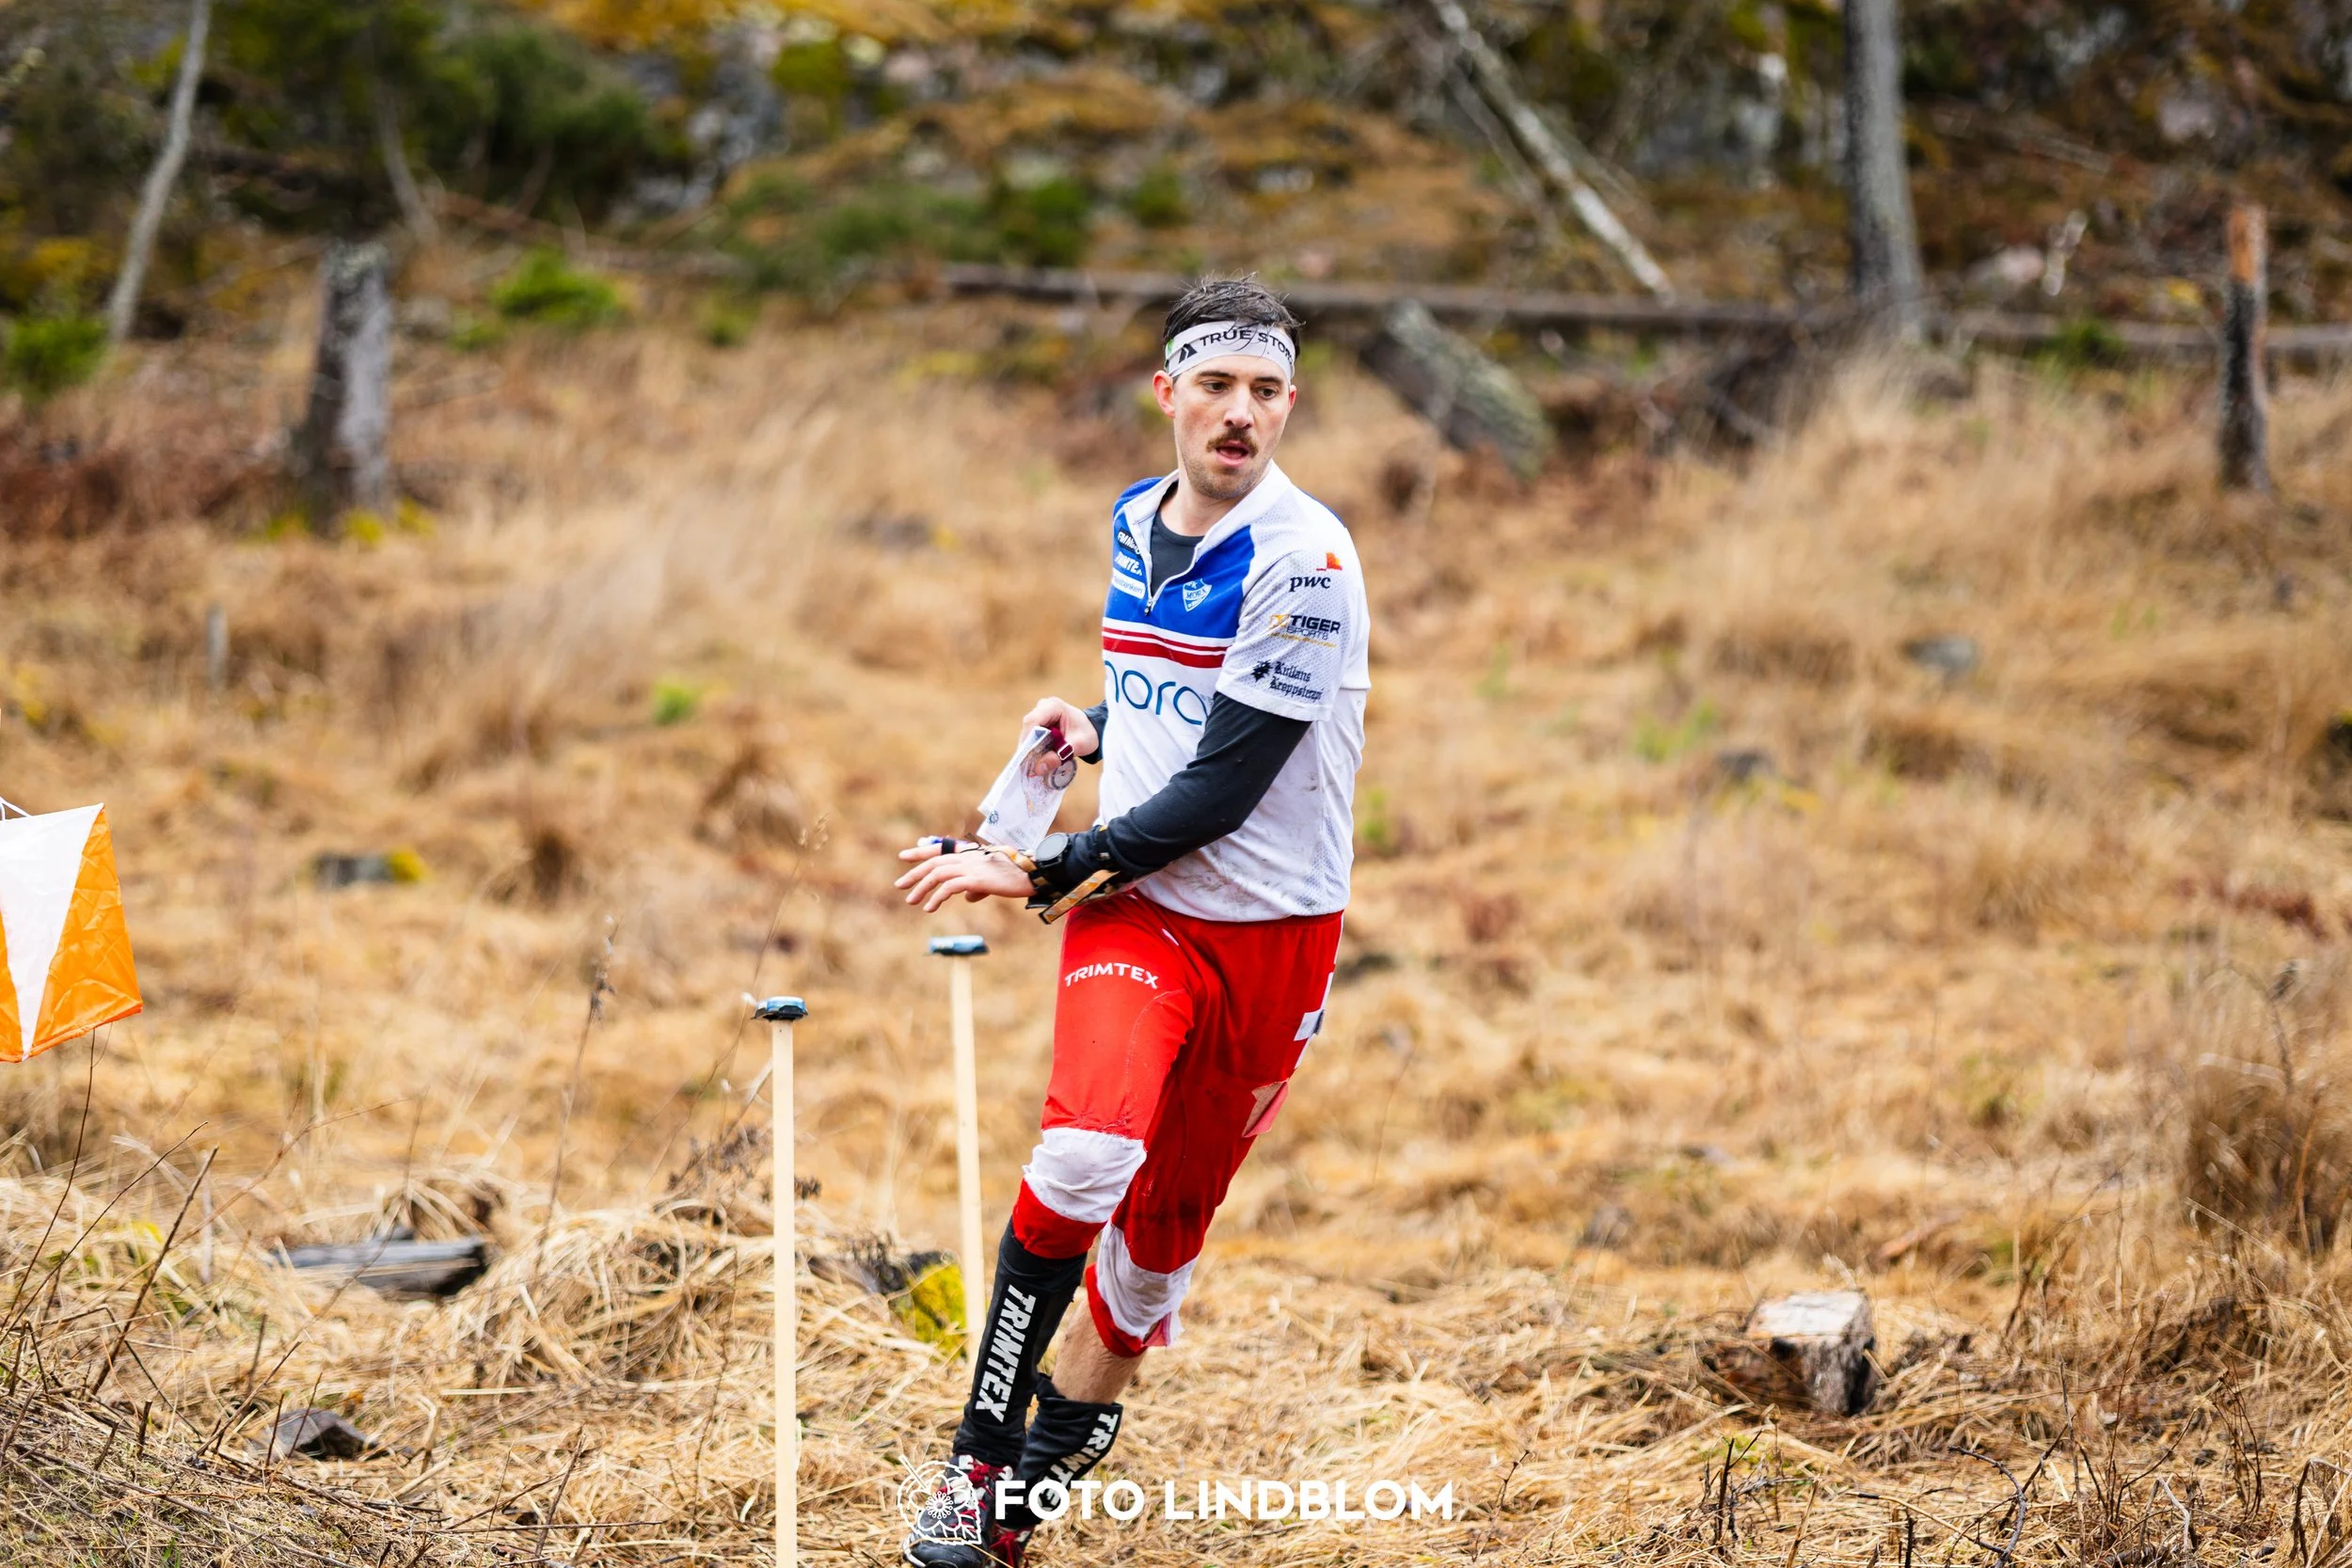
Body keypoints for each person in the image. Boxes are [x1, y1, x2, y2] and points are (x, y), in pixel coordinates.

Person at [892, 276, 1372, 1567]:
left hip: (1273, 934)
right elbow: (1172, 722)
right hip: (1146, 909)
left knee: (1155, 1257)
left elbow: (1228, 781)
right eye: (1215, 385)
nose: (1240, 413)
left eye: (1266, 391)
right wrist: (1095, 733)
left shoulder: (1305, 563)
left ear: (1288, 408)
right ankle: (975, 1467)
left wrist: (1041, 871)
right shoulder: (1130, 522)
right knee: (1082, 1162)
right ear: (1166, 393)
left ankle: (1061, 1450)